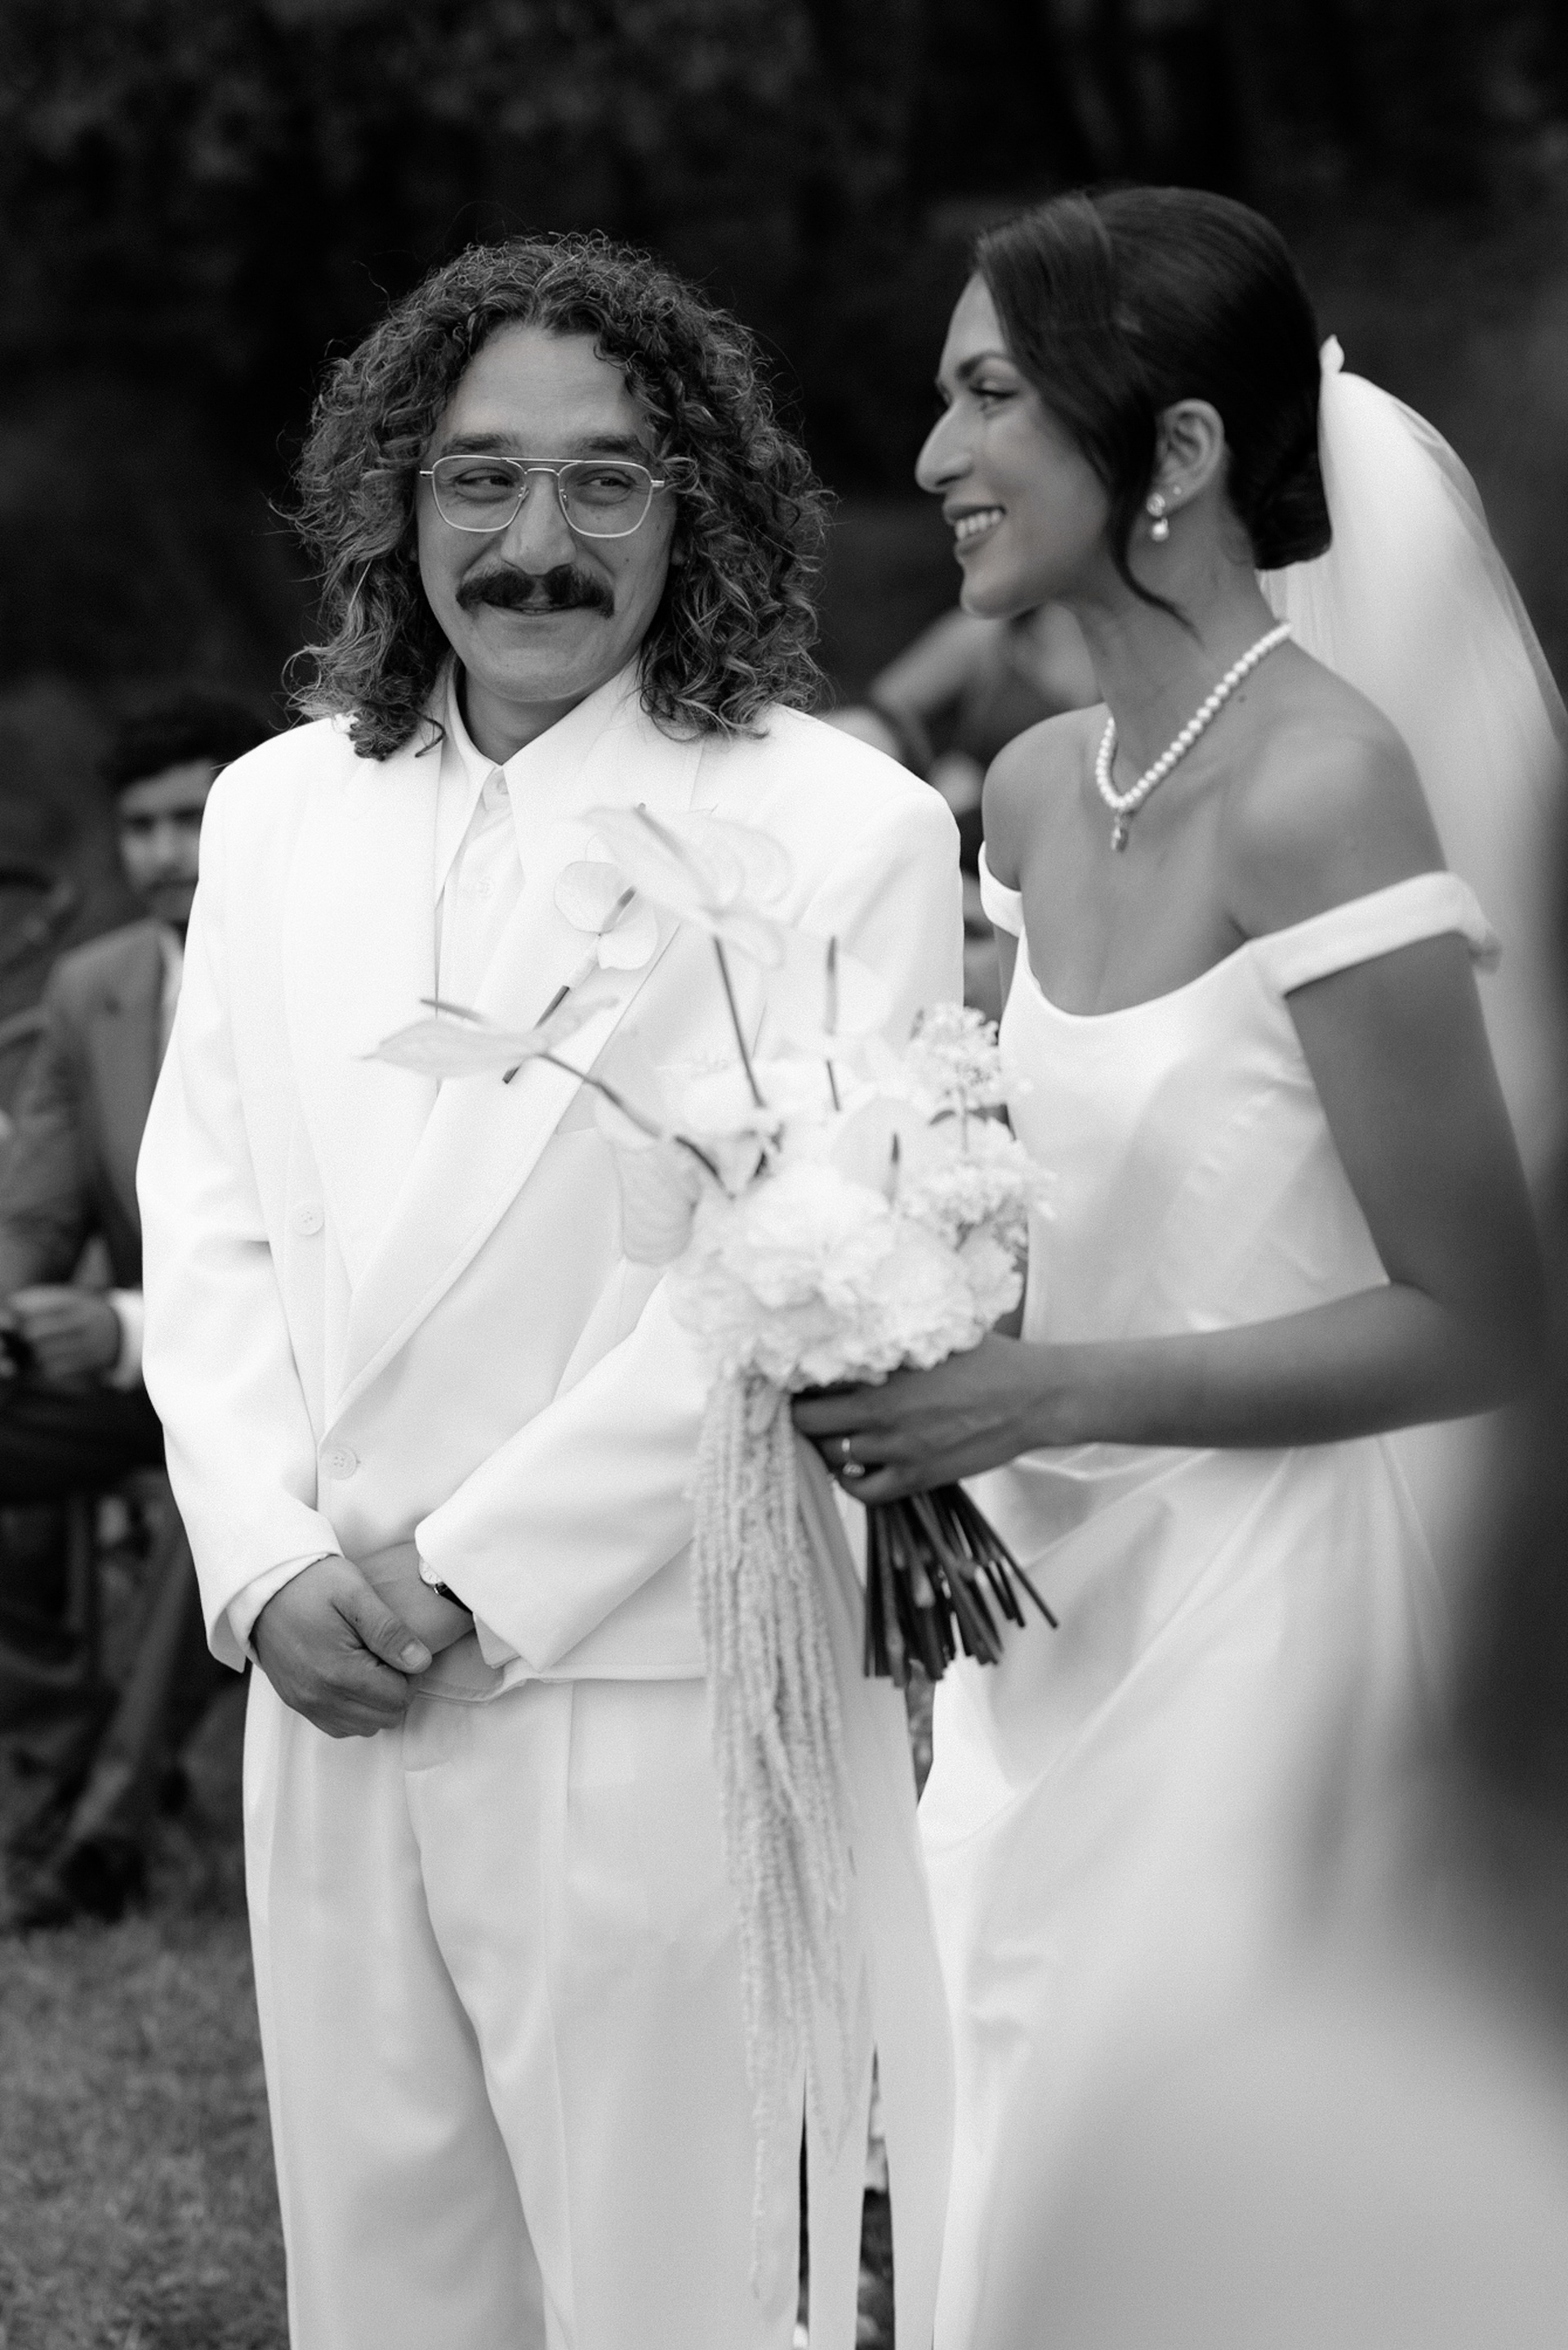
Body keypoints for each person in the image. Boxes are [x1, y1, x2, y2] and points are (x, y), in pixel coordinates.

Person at [137, 234, 960, 2350]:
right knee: (387, 2290)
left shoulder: (840, 825)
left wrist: (472, 1571)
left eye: (607, 479)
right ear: (395, 501)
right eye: (482, 477)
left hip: (638, 1679)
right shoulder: (273, 811)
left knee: (677, 2300)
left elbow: (790, 1276)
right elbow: (208, 1205)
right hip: (325, 1677)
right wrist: (263, 1557)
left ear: (701, 508)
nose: (536, 541)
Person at [794, 185, 1555, 2349]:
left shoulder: (1324, 790)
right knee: (1004, 2183)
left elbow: (1487, 1316)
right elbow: (1030, 1194)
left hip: (1268, 1635)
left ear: (1183, 450)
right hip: (1043, 1625)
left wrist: (1047, 1388)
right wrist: (862, 1287)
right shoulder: (1039, 789)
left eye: (988, 397)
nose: (935, 455)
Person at [1, 693, 267, 1917]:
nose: (166, 852)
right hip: (125, 1383)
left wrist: (120, 1327)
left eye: (191, 819)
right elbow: (35, 1215)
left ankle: (105, 1834)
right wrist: (14, 1321)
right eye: (141, 826)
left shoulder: (324, 978)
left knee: (226, 1494)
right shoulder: (90, 985)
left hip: (291, 1384)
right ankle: (65, 1739)